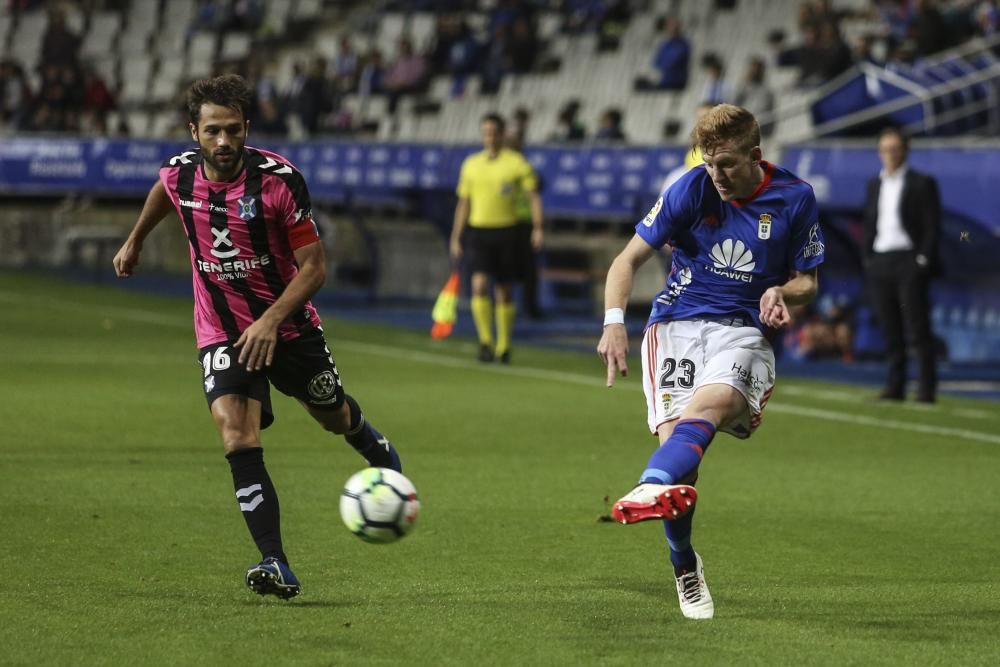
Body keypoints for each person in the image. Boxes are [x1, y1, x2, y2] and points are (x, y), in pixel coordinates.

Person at [111, 74, 402, 600]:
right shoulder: (180, 176)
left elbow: (314, 269)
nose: (224, 142)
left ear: (247, 129)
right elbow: (164, 189)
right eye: (213, 131)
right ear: (193, 132)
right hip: (222, 329)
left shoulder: (279, 182)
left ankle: (366, 437)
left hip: (288, 326)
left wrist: (269, 320)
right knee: (237, 434)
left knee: (330, 413)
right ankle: (276, 561)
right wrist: (134, 241)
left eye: (234, 131)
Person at [596, 104, 824, 620]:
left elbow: (809, 281)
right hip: (674, 328)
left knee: (711, 410)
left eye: (726, 163)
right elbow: (625, 260)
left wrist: (782, 290)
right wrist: (614, 321)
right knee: (685, 469)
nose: (716, 175)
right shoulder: (690, 187)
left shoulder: (794, 197)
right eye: (708, 162)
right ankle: (684, 563)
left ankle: (649, 485)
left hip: (742, 331)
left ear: (755, 155)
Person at [450, 112, 544, 363]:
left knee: (503, 290)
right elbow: (464, 202)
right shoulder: (471, 164)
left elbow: (533, 196)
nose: (490, 137)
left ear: (502, 135)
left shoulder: (516, 163)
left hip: (508, 231)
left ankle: (504, 345)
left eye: (494, 132)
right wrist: (456, 236)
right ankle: (485, 342)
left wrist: (537, 227)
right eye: (486, 133)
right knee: (479, 285)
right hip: (479, 231)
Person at [862, 126, 941, 402]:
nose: (890, 155)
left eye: (895, 149)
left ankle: (926, 389)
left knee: (917, 326)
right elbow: (870, 222)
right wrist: (868, 257)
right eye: (885, 149)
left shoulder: (922, 182)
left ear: (905, 150)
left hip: (909, 259)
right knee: (890, 327)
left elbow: (932, 225)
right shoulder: (875, 183)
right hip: (881, 259)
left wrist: (922, 259)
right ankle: (895, 386)